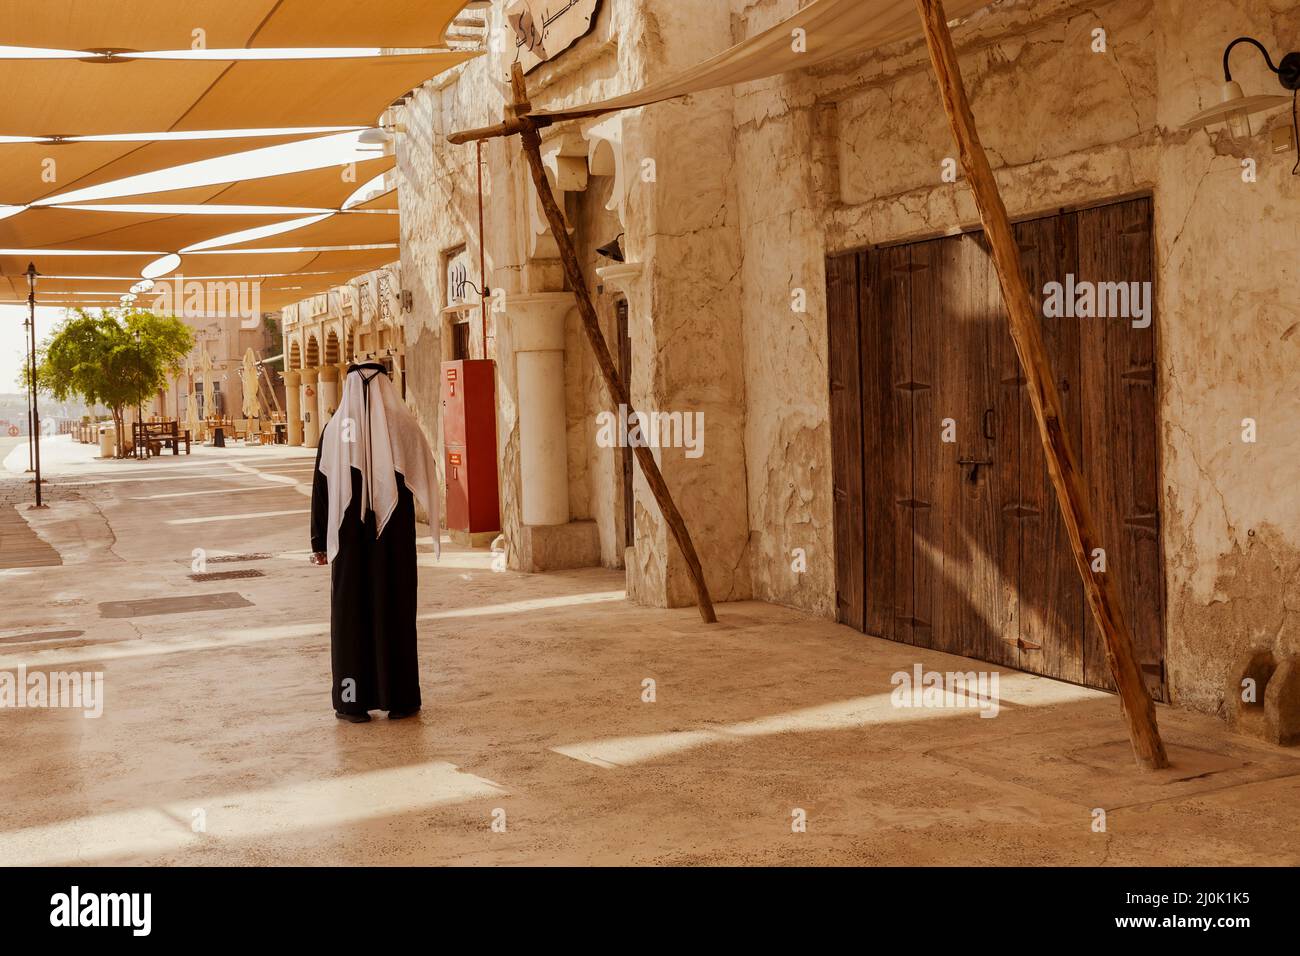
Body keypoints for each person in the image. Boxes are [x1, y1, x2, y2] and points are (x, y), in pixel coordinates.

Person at [310, 362, 440, 723]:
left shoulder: (335, 430)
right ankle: (400, 699)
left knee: (352, 616)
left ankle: (353, 702)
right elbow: (426, 470)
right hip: (392, 542)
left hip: (350, 541)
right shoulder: (403, 425)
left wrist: (319, 540)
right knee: (393, 609)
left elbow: (320, 492)